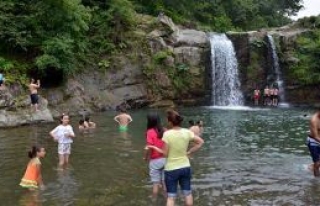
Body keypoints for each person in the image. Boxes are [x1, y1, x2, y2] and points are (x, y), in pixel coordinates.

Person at [148, 110, 204, 206]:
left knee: (171, 197)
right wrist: (189, 152)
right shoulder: (187, 132)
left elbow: (165, 154)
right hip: (185, 167)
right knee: (188, 194)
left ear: (170, 122)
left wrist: (154, 147)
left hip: (171, 169)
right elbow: (201, 142)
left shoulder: (167, 134)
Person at [144, 112, 166, 200]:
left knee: (155, 184)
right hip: (166, 159)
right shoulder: (165, 130)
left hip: (155, 161)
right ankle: (168, 200)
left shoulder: (150, 132)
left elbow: (149, 147)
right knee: (165, 183)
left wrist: (145, 157)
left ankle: (154, 200)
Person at [306, 111, 320, 176]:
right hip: (313, 142)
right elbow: (316, 136)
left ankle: (311, 166)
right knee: (317, 163)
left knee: (317, 163)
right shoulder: (314, 120)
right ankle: (316, 182)